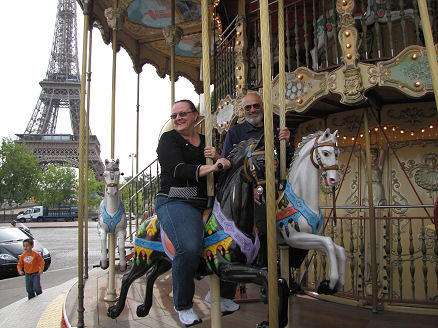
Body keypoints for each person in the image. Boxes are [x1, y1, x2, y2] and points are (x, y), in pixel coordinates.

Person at [155, 99, 237, 326]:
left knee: (235, 240)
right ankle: (183, 304)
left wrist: (219, 157)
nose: (178, 119)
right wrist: (211, 166)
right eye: (174, 116)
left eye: (182, 114)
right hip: (176, 199)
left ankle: (222, 294)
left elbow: (218, 176)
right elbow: (177, 170)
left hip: (207, 201)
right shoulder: (169, 139)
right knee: (189, 247)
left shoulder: (205, 143)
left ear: (195, 115)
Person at [218, 91, 293, 297]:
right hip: (250, 191)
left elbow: (287, 161)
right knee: (261, 228)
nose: (252, 110)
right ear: (243, 111)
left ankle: (289, 275)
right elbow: (229, 163)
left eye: (256, 106)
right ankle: (264, 279)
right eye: (248, 108)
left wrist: (286, 143)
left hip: (278, 188)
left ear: (263, 107)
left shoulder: (275, 129)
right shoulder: (236, 132)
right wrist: (251, 188)